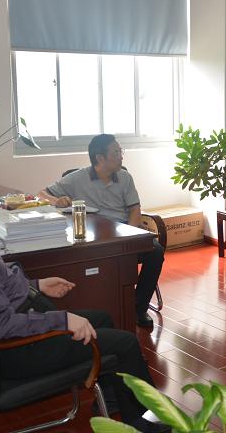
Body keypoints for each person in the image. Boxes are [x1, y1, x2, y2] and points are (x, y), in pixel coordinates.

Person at [0, 176, 169, 432]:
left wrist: (37, 284)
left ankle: (113, 401)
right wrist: (64, 320)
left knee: (103, 319)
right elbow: (3, 324)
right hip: (21, 349)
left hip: (18, 337)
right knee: (126, 343)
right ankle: (149, 420)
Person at [38, 134, 164, 329]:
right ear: (100, 158)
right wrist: (56, 201)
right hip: (94, 236)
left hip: (123, 231)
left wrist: (131, 233)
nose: (121, 156)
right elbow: (41, 194)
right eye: (116, 153)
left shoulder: (125, 177)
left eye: (120, 151)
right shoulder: (77, 178)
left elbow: (135, 209)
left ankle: (138, 308)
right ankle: (99, 305)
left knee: (155, 252)